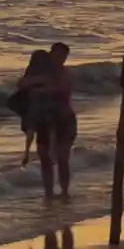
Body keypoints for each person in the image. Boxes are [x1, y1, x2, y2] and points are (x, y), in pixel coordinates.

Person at [9, 49, 54, 167]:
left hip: (32, 106)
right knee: (45, 131)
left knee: (31, 131)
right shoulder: (47, 72)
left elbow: (21, 85)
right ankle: (45, 155)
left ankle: (27, 154)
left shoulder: (31, 72)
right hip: (42, 106)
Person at [46, 42, 78, 201]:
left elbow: (59, 91)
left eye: (63, 56)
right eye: (57, 56)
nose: (60, 59)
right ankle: (50, 192)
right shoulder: (45, 73)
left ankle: (64, 191)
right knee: (48, 158)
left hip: (65, 120)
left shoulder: (63, 74)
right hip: (50, 120)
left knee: (62, 158)